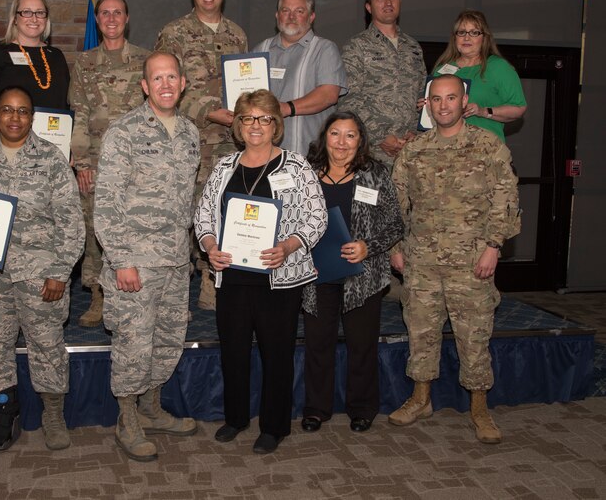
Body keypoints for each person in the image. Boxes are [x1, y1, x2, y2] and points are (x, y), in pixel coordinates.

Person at [389, 74, 521, 444]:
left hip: (472, 261)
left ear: (464, 103)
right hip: (422, 262)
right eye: (436, 99)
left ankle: (479, 408)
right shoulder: (414, 151)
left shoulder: (487, 146)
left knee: (474, 335)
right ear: (427, 104)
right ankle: (420, 399)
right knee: (421, 331)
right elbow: (396, 204)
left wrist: (494, 246)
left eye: (451, 98)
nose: (443, 105)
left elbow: (505, 197)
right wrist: (395, 248)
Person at [195, 89, 327, 455]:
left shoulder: (297, 167)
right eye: (248, 118)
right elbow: (203, 215)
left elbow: (318, 218)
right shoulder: (224, 167)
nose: (256, 125)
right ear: (238, 124)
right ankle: (236, 418)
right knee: (233, 351)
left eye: (264, 118)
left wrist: (288, 246)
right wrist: (209, 247)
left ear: (276, 125)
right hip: (232, 276)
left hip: (279, 277)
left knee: (277, 353)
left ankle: (274, 426)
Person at [94, 51, 201, 462]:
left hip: (175, 260)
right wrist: (121, 259)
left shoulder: (190, 133)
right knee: (133, 342)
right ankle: (127, 418)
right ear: (145, 85)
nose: (166, 85)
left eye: (172, 76)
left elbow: (186, 200)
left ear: (183, 81)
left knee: (167, 339)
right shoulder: (125, 132)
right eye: (157, 78)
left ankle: (152, 407)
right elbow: (107, 202)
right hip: (135, 261)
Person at [0, 86, 85, 452]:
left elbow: (71, 222)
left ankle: (53, 414)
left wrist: (60, 272)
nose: (14, 118)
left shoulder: (51, 159)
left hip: (39, 274)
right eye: (6, 110)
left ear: (31, 117)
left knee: (47, 345)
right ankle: (2, 415)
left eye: (22, 111)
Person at [301, 111, 403, 434]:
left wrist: (368, 246)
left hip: (363, 276)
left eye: (350, 135)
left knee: (362, 345)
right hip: (316, 274)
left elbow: (396, 224)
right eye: (335, 134)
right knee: (318, 344)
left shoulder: (375, 173)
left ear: (360, 141)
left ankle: (362, 408)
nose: (341, 142)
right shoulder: (307, 173)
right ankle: (317, 408)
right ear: (324, 137)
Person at [155, 0, 248, 310]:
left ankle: (212, 279)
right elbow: (165, 88)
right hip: (188, 139)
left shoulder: (238, 35)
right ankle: (175, 285)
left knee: (221, 209)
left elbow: (246, 86)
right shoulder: (173, 33)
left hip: (229, 141)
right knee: (183, 210)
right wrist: (209, 111)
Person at [69, 0, 150, 328]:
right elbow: (80, 112)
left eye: (118, 13)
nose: (112, 18)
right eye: (105, 13)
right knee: (95, 231)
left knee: (137, 228)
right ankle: (98, 294)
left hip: (138, 166)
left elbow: (154, 114)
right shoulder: (85, 62)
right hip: (98, 164)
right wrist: (83, 163)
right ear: (98, 20)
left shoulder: (146, 60)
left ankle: (142, 291)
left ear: (127, 18)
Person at [340, 0, 426, 167]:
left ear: (400, 2)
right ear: (369, 7)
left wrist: (415, 133)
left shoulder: (413, 47)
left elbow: (422, 96)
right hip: (371, 152)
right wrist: (379, 136)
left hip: (409, 153)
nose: (388, 2)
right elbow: (347, 99)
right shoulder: (357, 46)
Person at [253, 0, 347, 155]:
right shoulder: (260, 50)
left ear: (311, 17)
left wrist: (287, 108)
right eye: (285, 10)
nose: (291, 16)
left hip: (310, 155)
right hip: (264, 156)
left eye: (299, 11)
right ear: (277, 15)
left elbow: (328, 95)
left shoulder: (325, 49)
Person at [0, 0, 70, 137]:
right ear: (15, 18)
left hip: (51, 148)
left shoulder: (56, 56)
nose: (34, 18)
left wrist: (65, 149)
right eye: (27, 12)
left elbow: (64, 106)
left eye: (40, 13)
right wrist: (3, 146)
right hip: (8, 148)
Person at [431, 9, 527, 141]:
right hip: (446, 152)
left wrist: (483, 111)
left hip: (485, 151)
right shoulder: (440, 70)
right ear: (455, 37)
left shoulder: (499, 67)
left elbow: (519, 108)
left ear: (484, 37)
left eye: (474, 33)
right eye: (461, 32)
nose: (466, 38)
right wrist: (426, 105)